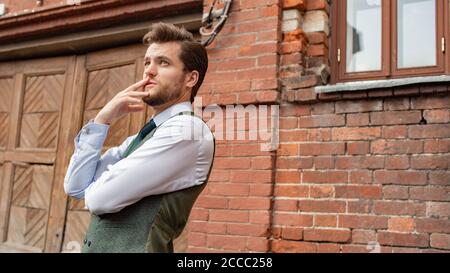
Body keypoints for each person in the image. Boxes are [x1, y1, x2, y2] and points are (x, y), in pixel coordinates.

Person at [64, 22, 215, 253]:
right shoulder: (144, 136)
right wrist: (102, 119)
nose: (149, 71)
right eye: (147, 62)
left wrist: (102, 181)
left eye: (163, 62)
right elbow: (76, 186)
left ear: (191, 79)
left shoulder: (187, 131)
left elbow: (97, 199)